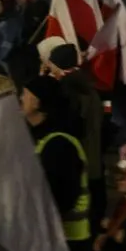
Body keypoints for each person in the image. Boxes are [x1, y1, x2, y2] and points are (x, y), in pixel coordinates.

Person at [23, 74, 91, 251]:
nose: (20, 98)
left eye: (24, 94)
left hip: (65, 246)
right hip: (56, 242)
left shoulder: (58, 145)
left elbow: (59, 198)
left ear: (36, 101)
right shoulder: (45, 138)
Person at [45, 43, 107, 220]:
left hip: (81, 162)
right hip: (94, 160)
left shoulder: (69, 91)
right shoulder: (88, 87)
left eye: (51, 65)